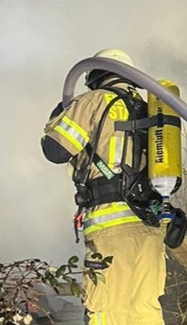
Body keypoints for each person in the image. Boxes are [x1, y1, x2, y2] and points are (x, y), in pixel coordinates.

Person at [41, 49, 167, 324]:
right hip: (151, 224)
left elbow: (55, 150)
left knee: (106, 311)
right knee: (144, 310)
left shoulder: (94, 100)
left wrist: (58, 117)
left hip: (110, 228)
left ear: (95, 76)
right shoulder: (151, 109)